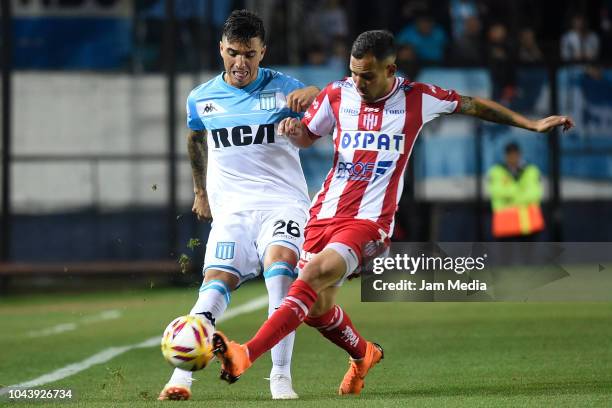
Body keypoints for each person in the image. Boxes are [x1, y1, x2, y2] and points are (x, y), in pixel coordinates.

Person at [212, 30, 574, 396]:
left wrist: (532, 124)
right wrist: (295, 131)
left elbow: (473, 105)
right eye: (353, 73)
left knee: (311, 276)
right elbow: (309, 135)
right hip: (323, 213)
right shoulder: (338, 94)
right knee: (317, 310)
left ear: (390, 69)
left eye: (367, 75)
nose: (358, 82)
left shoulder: (418, 98)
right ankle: (363, 354)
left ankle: (246, 353)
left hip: (370, 221)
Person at [157, 10, 319, 401]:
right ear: (221, 49)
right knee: (214, 285)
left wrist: (313, 96)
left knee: (280, 272)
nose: (240, 63)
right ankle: (181, 378)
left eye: (249, 54)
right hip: (233, 211)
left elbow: (327, 109)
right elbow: (195, 139)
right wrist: (200, 191)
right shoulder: (202, 98)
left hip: (283, 203)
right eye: (232, 53)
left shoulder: (285, 89)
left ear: (262, 51)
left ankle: (280, 377)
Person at [488, 142, 544, 241]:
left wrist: (511, 196)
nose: (513, 157)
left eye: (515, 154)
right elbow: (496, 191)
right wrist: (521, 193)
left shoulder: (531, 170)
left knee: (529, 255)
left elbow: (535, 194)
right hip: (505, 227)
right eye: (510, 154)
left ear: (520, 154)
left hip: (529, 226)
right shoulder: (496, 171)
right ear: (505, 155)